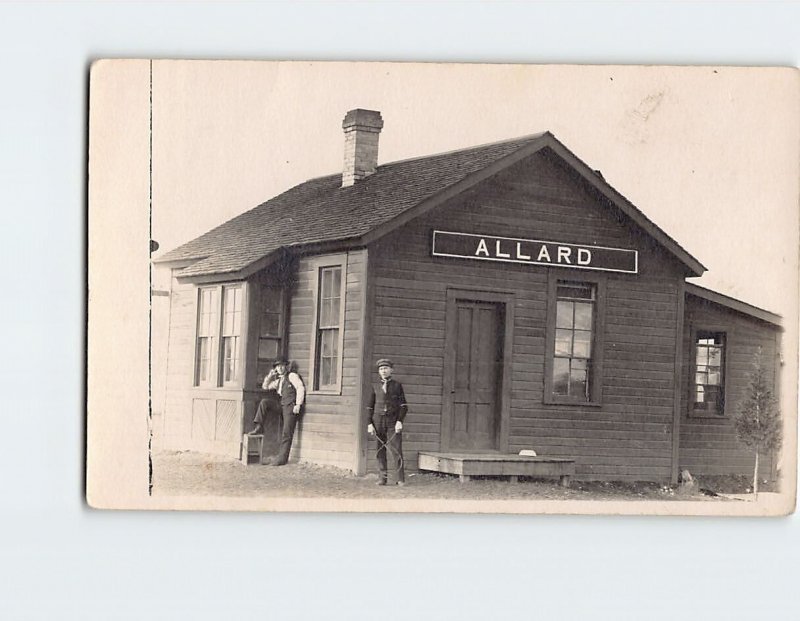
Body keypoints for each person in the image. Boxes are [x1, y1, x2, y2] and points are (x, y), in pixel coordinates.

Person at [250, 358, 305, 466]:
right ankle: (259, 426)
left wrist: (298, 404)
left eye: (281, 366)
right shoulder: (279, 380)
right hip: (281, 405)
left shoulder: (292, 376)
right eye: (277, 367)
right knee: (264, 402)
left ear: (286, 366)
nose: (279, 368)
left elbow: (300, 388)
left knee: (287, 433)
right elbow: (265, 386)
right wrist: (270, 375)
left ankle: (282, 459)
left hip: (290, 407)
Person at [366, 359, 407, 486]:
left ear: (391, 370)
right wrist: (369, 424)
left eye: (386, 368)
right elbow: (369, 407)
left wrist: (399, 421)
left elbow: (404, 406)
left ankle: (400, 479)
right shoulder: (375, 386)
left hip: (392, 421)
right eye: (381, 369)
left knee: (396, 449)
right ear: (379, 372)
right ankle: (382, 478)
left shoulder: (397, 386)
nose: (383, 371)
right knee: (380, 450)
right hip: (378, 421)